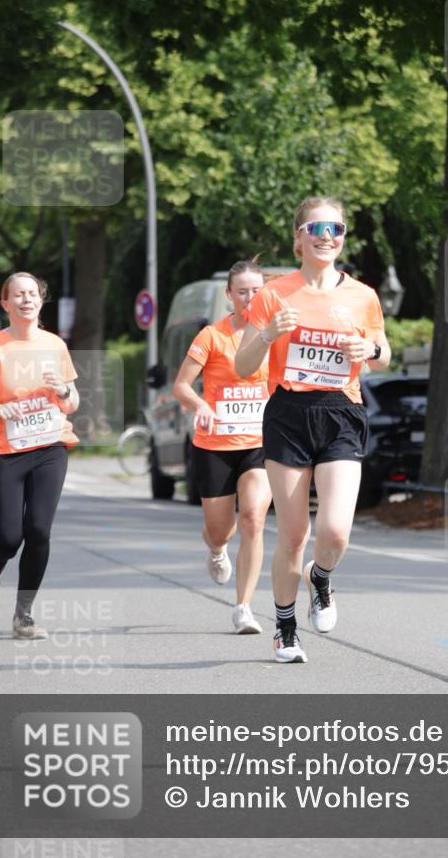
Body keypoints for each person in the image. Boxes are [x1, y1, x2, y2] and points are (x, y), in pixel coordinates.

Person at [235, 197, 391, 663]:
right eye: (318, 227)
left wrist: (367, 348)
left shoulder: (362, 295)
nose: (328, 236)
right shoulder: (272, 294)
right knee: (294, 533)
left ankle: (319, 578)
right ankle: (285, 628)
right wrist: (266, 334)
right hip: (289, 413)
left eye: (337, 229)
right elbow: (244, 367)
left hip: (341, 410)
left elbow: (384, 354)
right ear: (299, 236)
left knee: (337, 530)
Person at [0, 272, 80, 639]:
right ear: (6, 303)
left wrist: (64, 389)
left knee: (38, 529)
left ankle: (24, 616)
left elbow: (73, 402)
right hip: (6, 450)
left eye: (32, 294)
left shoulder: (55, 345)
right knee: (7, 535)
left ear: (40, 300)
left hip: (50, 446)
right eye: (18, 295)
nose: (26, 299)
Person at [173, 259, 272, 635]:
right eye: (242, 291)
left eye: (257, 290)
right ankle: (215, 549)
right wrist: (200, 405)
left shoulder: (273, 336)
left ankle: (244, 607)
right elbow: (181, 386)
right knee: (221, 530)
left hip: (258, 444)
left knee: (253, 518)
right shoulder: (212, 336)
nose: (250, 297)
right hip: (214, 444)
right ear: (229, 295)